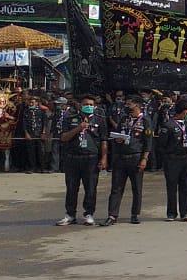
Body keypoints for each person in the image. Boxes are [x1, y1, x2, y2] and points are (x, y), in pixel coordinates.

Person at [56, 96, 107, 226]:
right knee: (72, 188)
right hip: (72, 157)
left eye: (91, 104)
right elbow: (63, 137)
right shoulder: (69, 117)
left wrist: (104, 157)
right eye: (86, 104)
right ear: (80, 105)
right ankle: (70, 215)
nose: (89, 106)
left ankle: (88, 214)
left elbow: (103, 140)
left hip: (91, 158)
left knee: (90, 188)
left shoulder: (99, 119)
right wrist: (78, 128)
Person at [104, 96, 153, 226]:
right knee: (116, 188)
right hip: (121, 157)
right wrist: (117, 139)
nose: (126, 106)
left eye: (129, 104)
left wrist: (144, 158)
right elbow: (117, 132)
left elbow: (148, 142)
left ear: (137, 105)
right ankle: (112, 215)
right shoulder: (124, 118)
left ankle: (135, 214)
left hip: (136, 157)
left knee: (136, 188)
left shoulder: (146, 120)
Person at [159, 100, 187, 221]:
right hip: (172, 159)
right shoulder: (168, 125)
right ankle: (171, 213)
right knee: (172, 186)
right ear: (185, 111)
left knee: (185, 186)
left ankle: (185, 212)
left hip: (185, 158)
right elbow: (162, 144)